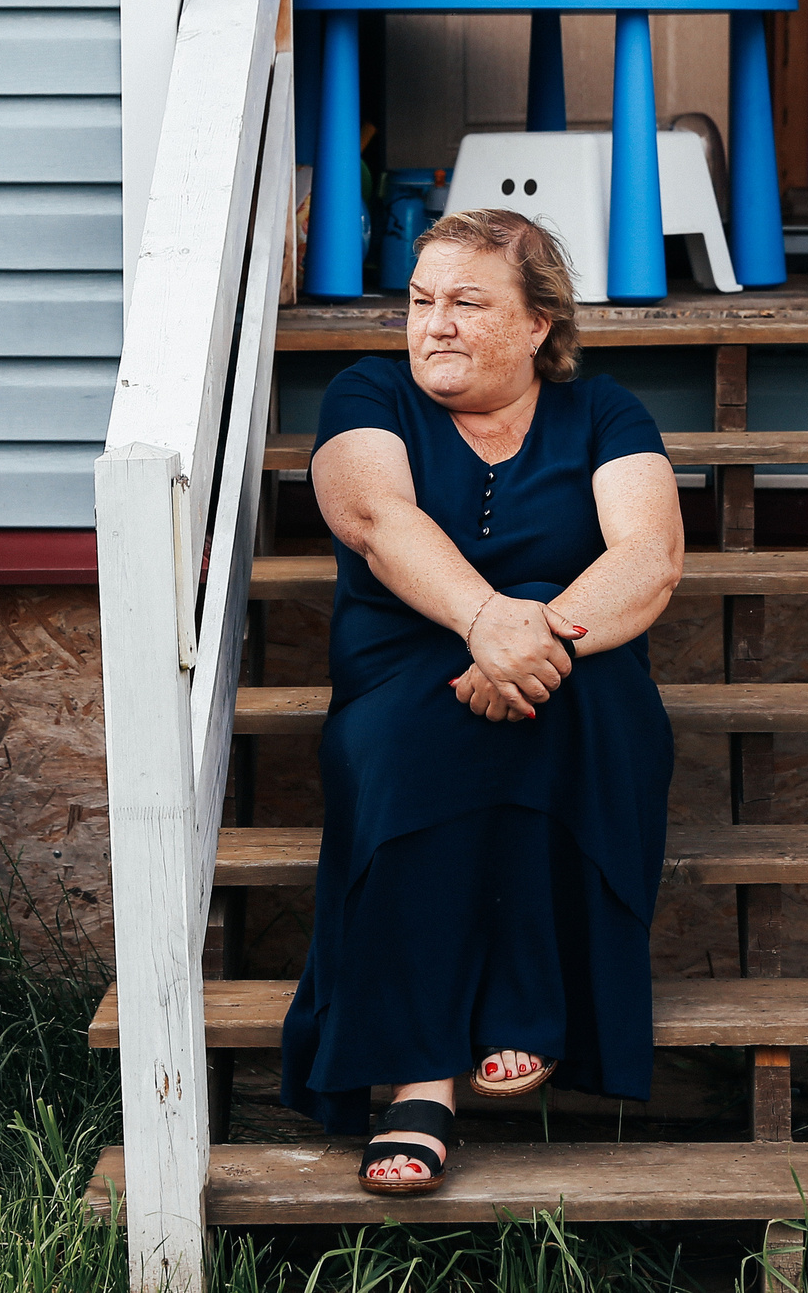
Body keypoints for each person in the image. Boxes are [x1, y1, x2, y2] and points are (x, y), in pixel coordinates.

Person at [279, 209, 685, 1195]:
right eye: (421, 303)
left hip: (571, 657)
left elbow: (649, 553)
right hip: (402, 660)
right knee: (421, 741)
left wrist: (536, 638)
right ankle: (424, 1077)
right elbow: (376, 518)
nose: (435, 325)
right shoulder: (368, 395)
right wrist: (485, 621)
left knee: (574, 717)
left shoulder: (603, 412)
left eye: (467, 302)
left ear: (539, 323)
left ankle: (520, 1008)